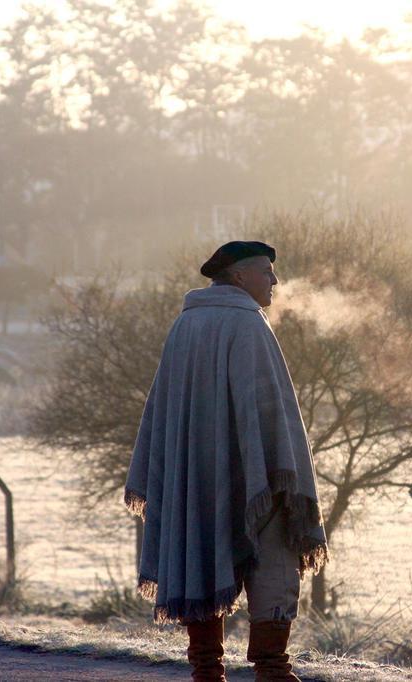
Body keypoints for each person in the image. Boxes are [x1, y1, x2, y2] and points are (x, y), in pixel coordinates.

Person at [124, 240, 328, 681]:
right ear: (239, 277)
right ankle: (272, 670)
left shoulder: (185, 326)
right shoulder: (249, 325)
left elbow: (167, 414)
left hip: (196, 477)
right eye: (266, 271)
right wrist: (276, 471)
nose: (274, 281)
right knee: (276, 554)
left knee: (199, 551)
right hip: (262, 480)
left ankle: (206, 671)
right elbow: (274, 416)